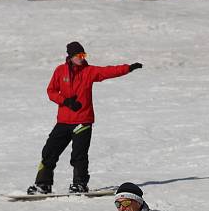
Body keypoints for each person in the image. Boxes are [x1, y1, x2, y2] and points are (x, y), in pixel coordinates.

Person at [26, 42, 142, 195]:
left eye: (83, 55)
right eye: (79, 56)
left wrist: (128, 68)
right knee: (49, 152)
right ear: (71, 56)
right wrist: (65, 101)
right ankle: (43, 185)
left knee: (79, 155)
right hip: (64, 121)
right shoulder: (60, 71)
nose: (82, 58)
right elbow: (51, 91)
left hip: (83, 121)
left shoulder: (89, 71)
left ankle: (80, 184)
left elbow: (108, 71)